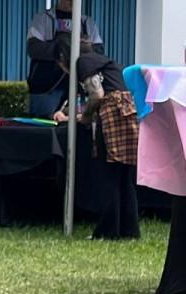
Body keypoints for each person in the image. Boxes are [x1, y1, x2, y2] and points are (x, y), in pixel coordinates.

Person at [52, 35, 140, 240]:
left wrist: (85, 117)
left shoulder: (83, 62)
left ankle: (108, 231)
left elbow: (97, 94)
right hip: (128, 113)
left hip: (112, 116)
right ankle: (129, 230)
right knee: (124, 175)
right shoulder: (100, 61)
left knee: (108, 174)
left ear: (63, 56)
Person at [26, 0, 104, 119]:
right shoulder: (43, 19)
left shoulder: (87, 22)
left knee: (79, 121)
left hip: (79, 87)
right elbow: (34, 48)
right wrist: (70, 50)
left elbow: (99, 50)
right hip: (47, 88)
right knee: (44, 122)